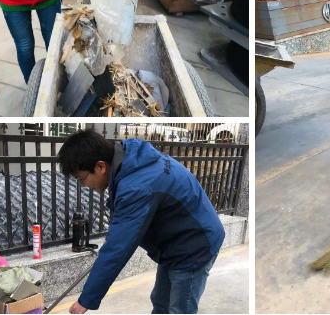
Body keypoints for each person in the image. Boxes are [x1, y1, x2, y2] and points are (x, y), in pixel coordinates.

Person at [58, 128, 225, 315]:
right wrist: (117, 238)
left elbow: (117, 249)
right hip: (176, 241)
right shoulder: (130, 159)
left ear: (100, 166)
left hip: (195, 245)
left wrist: (86, 299)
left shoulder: (136, 185)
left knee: (180, 309)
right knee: (161, 302)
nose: (84, 186)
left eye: (81, 179)